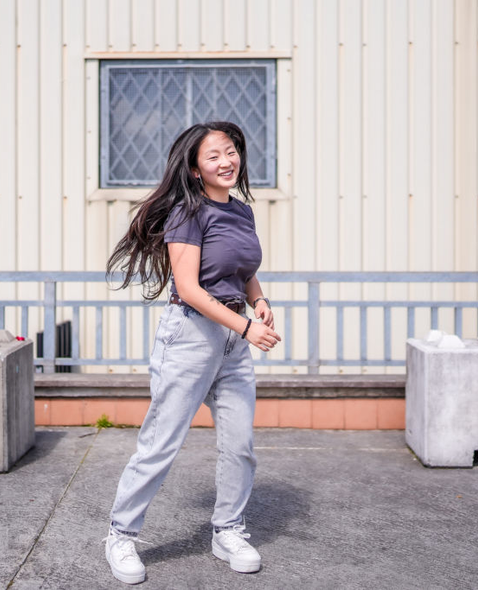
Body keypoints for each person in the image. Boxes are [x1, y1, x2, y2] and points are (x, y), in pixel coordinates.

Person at [103, 121, 281, 584]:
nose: (226, 161)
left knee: (240, 445)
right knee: (161, 443)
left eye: (231, 152)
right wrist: (247, 326)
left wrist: (258, 300)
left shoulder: (241, 212)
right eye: (213, 156)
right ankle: (121, 535)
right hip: (190, 337)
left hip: (233, 342)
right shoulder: (188, 212)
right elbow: (189, 288)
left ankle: (228, 530)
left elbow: (243, 269)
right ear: (196, 169)